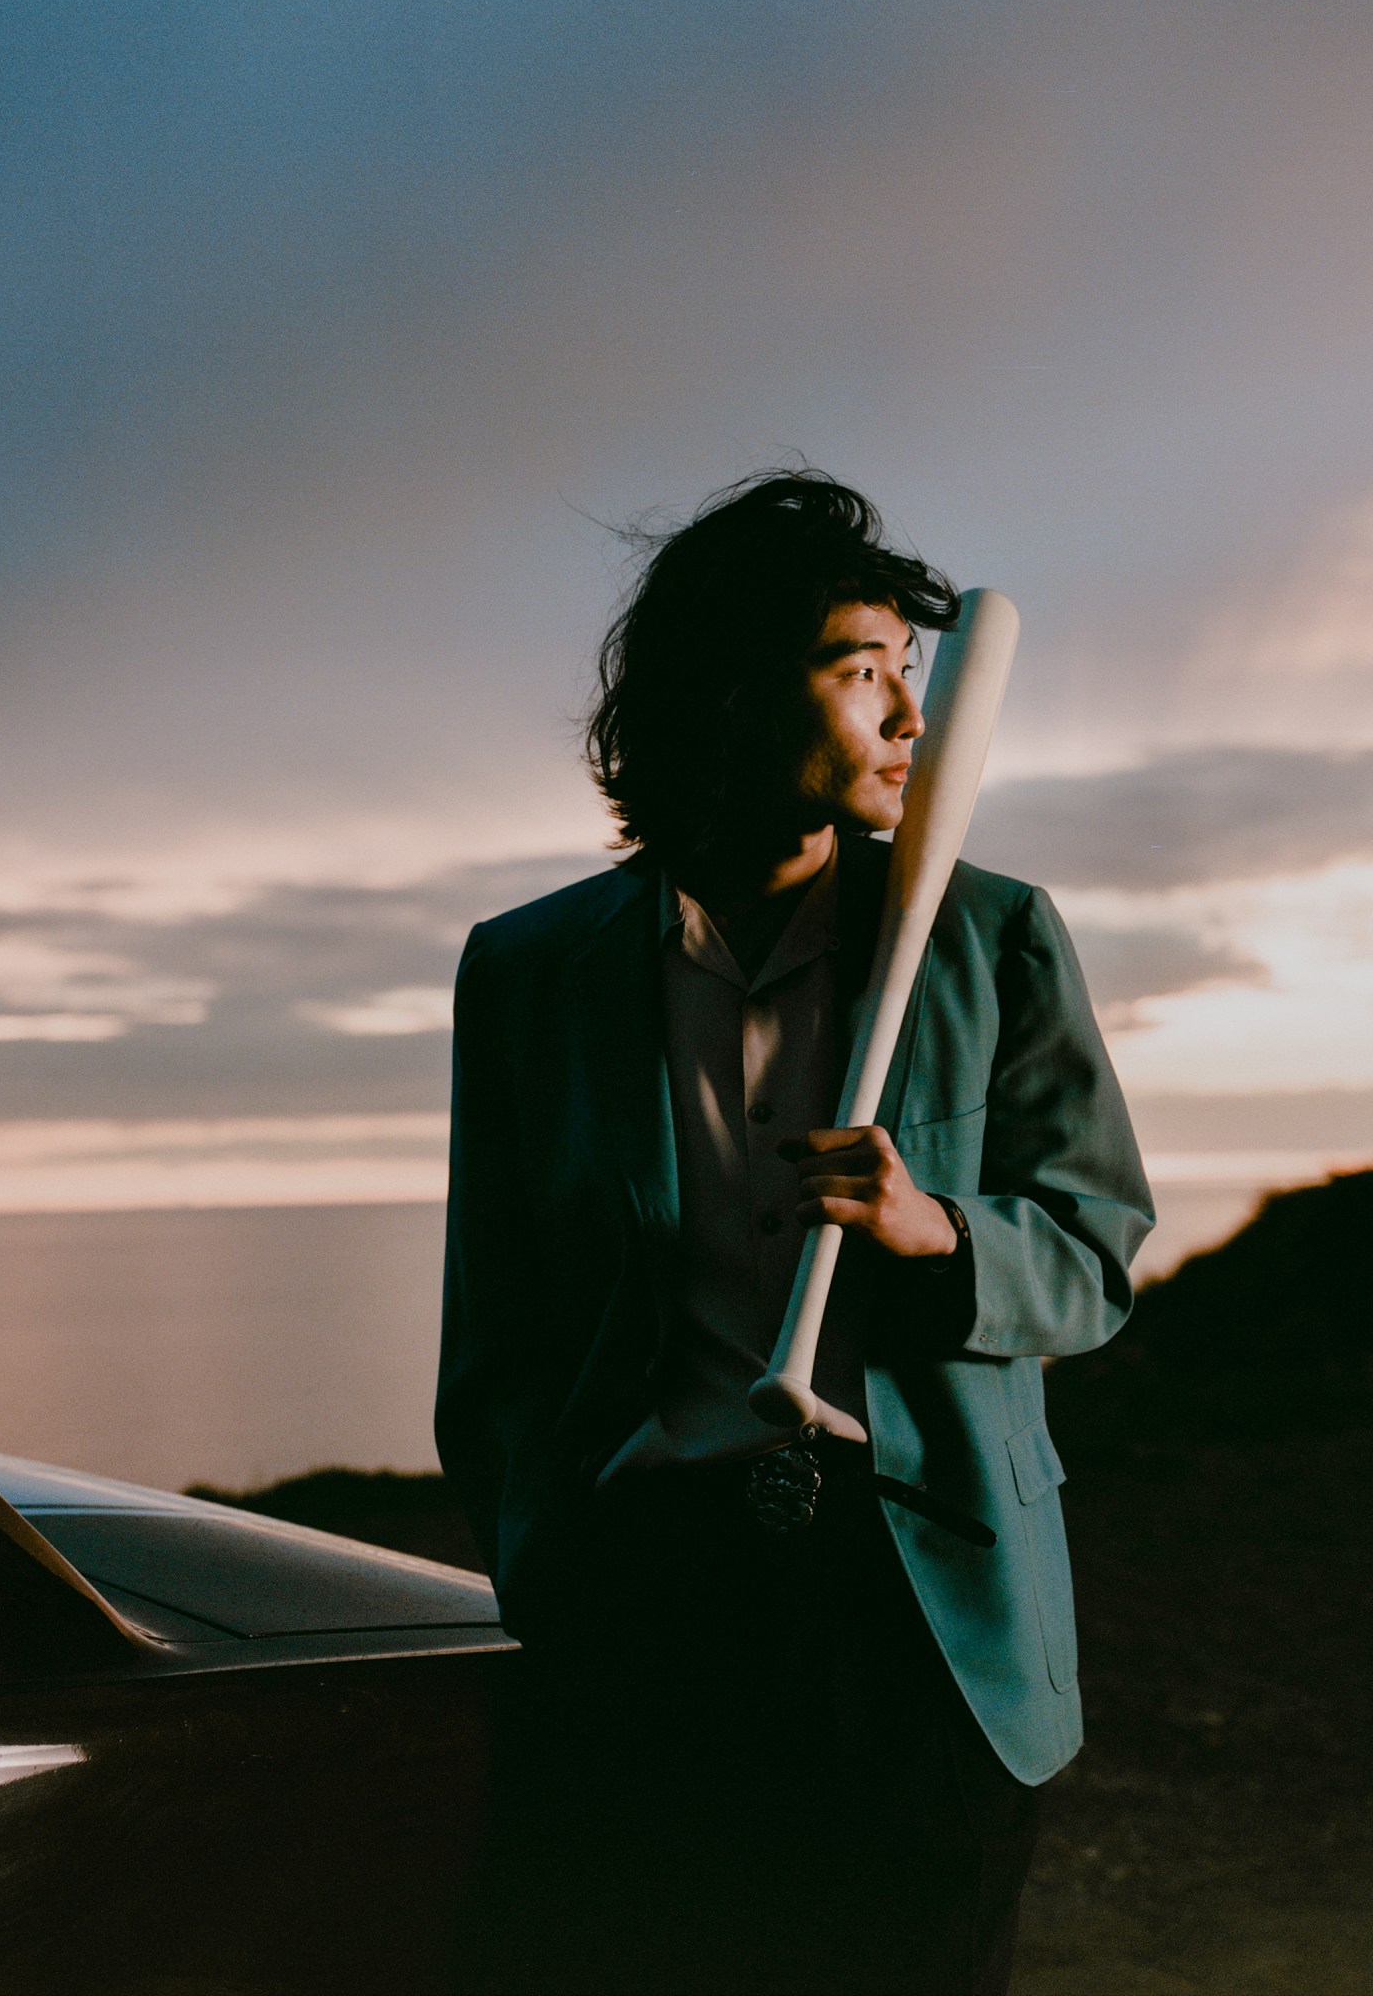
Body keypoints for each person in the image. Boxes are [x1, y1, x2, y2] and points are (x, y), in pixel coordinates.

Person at [436, 472, 1154, 1996]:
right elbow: (494, 1327)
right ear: (734, 697)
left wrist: (936, 1234)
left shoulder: (993, 935)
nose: (913, 717)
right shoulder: (529, 974)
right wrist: (547, 1562)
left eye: (913, 670)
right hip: (647, 1600)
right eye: (861, 670)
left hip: (919, 1610)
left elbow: (1092, 1252)